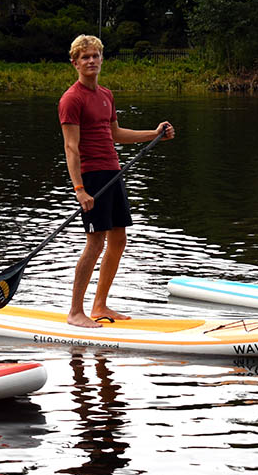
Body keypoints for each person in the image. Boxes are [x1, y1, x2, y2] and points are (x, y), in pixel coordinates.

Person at [58, 34, 174, 327]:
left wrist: (154, 133)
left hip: (114, 172)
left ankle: (100, 305)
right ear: (75, 63)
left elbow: (116, 134)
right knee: (95, 243)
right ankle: (75, 312)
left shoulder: (106, 95)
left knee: (118, 240)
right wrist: (79, 189)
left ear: (101, 59)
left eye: (95, 56)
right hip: (92, 177)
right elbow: (71, 148)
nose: (91, 61)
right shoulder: (71, 99)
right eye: (85, 57)